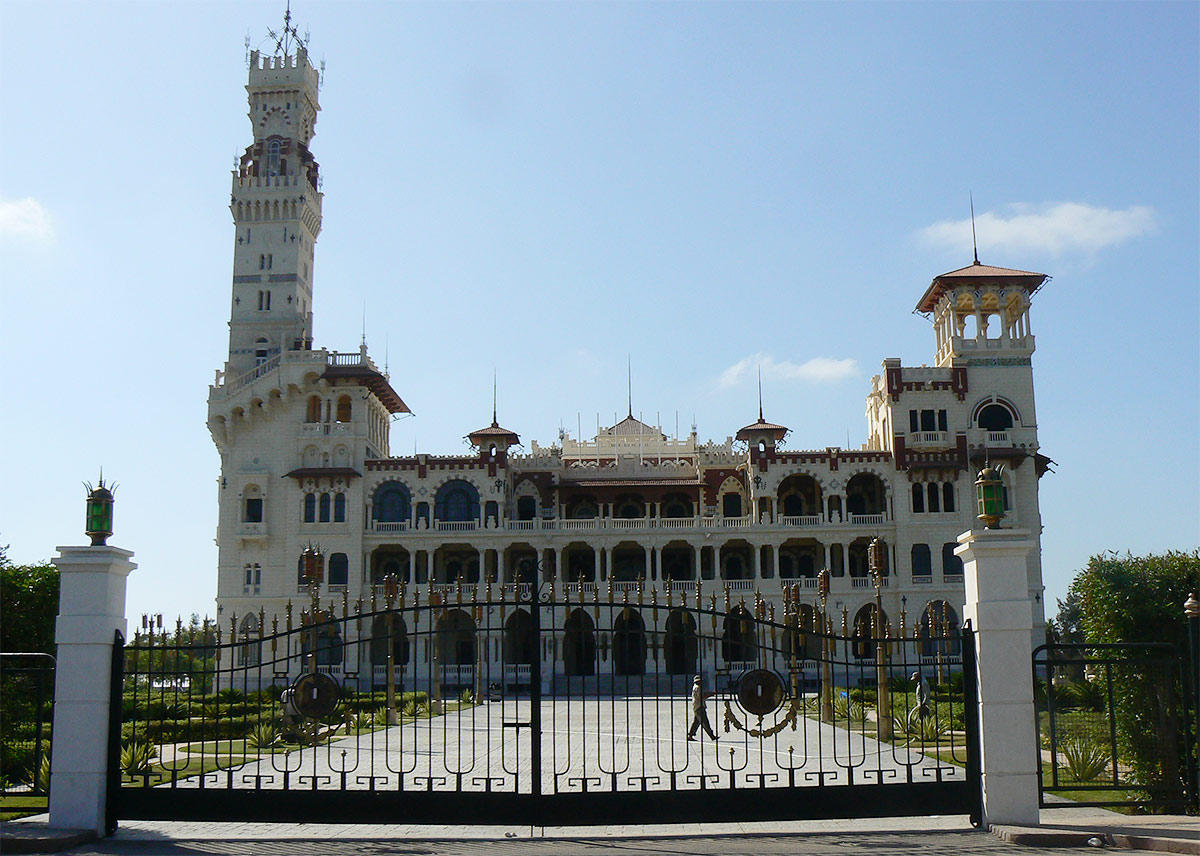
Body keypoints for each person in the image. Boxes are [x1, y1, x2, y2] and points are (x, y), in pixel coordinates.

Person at [687, 674, 718, 741]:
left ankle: (690, 735)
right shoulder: (698, 688)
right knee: (705, 722)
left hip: (696, 706)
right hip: (699, 707)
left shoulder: (695, 687)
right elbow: (702, 696)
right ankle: (711, 736)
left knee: (696, 722)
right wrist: (710, 694)